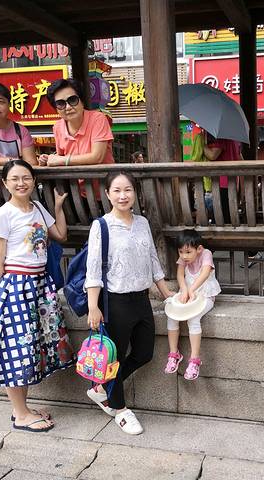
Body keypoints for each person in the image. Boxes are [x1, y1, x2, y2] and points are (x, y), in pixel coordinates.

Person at [84, 172, 174, 435]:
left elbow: (153, 259)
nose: (123, 196)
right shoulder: (101, 226)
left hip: (141, 299)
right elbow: (93, 269)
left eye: (128, 190)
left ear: (135, 193)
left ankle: (101, 387)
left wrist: (166, 293)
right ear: (107, 194)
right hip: (116, 302)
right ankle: (120, 409)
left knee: (144, 353)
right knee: (115, 358)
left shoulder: (142, 222)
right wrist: (93, 306)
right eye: (117, 190)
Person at [0, 160, 73, 432]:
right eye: (14, 178)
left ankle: (21, 410)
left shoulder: (37, 208)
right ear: (5, 183)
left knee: (31, 347)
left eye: (26, 177)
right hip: (16, 285)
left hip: (39, 284)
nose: (21, 183)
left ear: (34, 180)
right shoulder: (3, 215)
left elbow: (60, 235)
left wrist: (57, 208)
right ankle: (21, 413)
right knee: (16, 349)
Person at [164, 229, 221, 380]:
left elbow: (205, 273)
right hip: (188, 294)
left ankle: (194, 360)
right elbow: (180, 274)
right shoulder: (184, 257)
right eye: (181, 252)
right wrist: (184, 290)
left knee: (193, 318)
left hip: (205, 295)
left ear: (199, 249)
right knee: (172, 315)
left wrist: (192, 290)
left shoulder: (206, 254)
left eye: (188, 252)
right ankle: (174, 354)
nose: (184, 256)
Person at [204, 135, 262, 268]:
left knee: (226, 222)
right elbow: (240, 159)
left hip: (222, 184)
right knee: (225, 221)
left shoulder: (222, 139)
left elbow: (212, 155)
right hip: (232, 184)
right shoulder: (235, 140)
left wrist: (203, 145)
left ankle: (253, 251)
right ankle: (206, 254)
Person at [38, 78, 114, 167]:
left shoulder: (98, 119)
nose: (68, 107)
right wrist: (47, 159)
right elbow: (60, 157)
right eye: (61, 103)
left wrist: (62, 160)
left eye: (73, 100)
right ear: (56, 109)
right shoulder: (57, 127)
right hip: (72, 176)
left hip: (102, 176)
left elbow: (97, 157)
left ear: (82, 101)